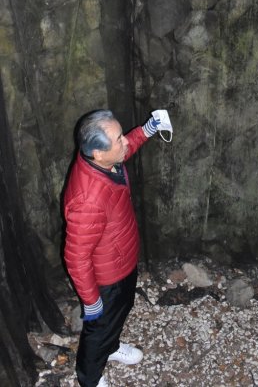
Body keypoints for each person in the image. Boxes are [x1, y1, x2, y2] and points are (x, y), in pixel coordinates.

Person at [64, 109, 169, 387]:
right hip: (107, 278)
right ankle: (90, 378)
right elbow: (76, 258)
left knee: (121, 312)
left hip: (122, 260)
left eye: (122, 135)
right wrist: (91, 300)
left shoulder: (105, 161)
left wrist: (147, 129)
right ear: (98, 153)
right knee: (99, 329)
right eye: (118, 139)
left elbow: (125, 148)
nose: (125, 142)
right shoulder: (88, 200)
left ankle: (110, 349)